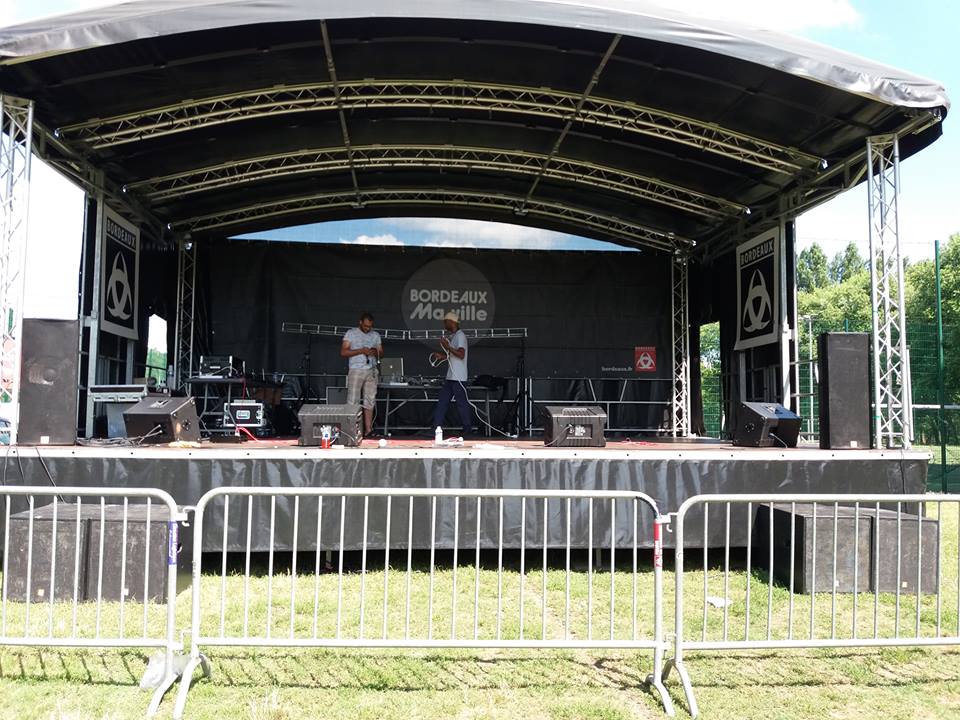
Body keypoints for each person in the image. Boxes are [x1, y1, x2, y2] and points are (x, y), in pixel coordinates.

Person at [340, 311, 382, 439]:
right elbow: (343, 352)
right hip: (356, 370)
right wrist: (361, 351)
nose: (368, 328)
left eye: (370, 326)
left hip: (371, 370)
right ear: (360, 322)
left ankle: (368, 430)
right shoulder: (351, 333)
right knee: (353, 400)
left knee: (370, 400)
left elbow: (381, 352)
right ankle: (352, 430)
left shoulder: (375, 335)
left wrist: (374, 351)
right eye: (365, 326)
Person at [431, 311, 472, 437]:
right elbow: (453, 356)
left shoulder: (460, 336)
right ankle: (436, 427)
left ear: (452, 322)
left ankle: (467, 429)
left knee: (461, 404)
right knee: (442, 402)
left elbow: (461, 354)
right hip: (451, 377)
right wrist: (443, 356)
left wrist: (447, 347)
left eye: (445, 322)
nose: (444, 324)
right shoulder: (454, 336)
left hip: (458, 377)